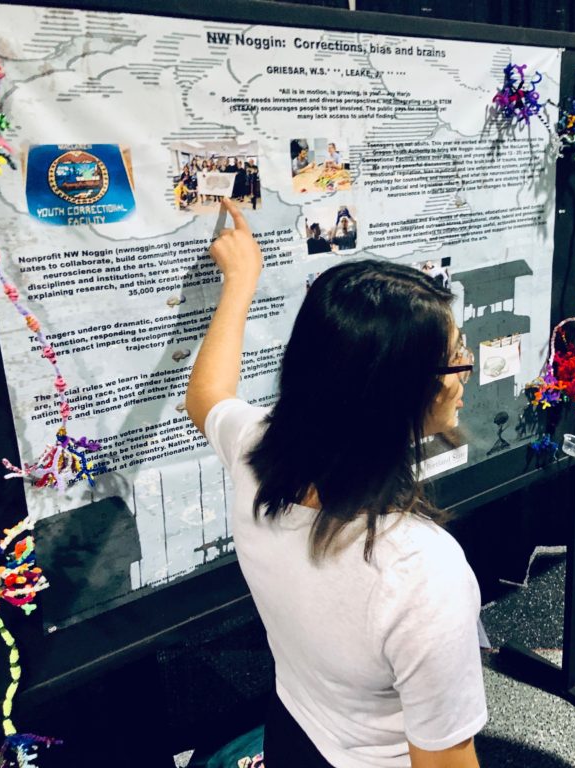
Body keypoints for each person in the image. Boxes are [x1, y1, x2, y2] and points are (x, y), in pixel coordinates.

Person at [186, 200, 485, 768]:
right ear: (403, 392)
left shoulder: (256, 451)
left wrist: (240, 281)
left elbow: (205, 396)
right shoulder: (419, 571)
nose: (464, 371)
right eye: (454, 359)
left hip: (295, 729)